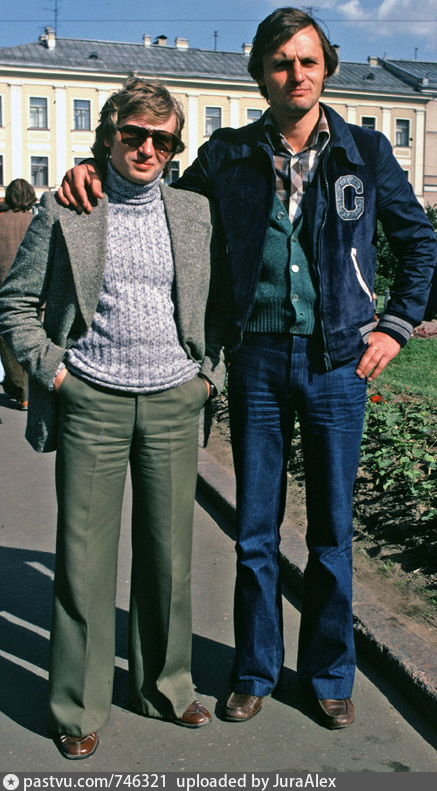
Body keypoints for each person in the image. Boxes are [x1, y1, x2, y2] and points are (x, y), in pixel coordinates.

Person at [56, 8, 437, 731]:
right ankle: (255, 670)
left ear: (326, 67)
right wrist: (91, 167)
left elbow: (419, 242)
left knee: (331, 533)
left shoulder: (364, 151)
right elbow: (156, 192)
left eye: (308, 61)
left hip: (337, 364)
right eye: (281, 62)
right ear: (260, 73)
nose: (296, 74)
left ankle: (328, 673)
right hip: (255, 359)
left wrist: (395, 326)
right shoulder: (229, 154)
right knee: (256, 530)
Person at [0, 78, 225, 759]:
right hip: (91, 400)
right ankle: (78, 705)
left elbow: (216, 305)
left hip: (172, 399)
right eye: (135, 134)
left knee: (169, 556)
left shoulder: (193, 211)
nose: (148, 149)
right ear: (110, 136)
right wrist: (56, 372)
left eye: (163, 140)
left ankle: (165, 686)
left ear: (175, 148)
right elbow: (14, 305)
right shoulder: (67, 207)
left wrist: (205, 375)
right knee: (83, 563)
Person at [0, 178, 36, 410]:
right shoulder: (37, 221)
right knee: (32, 340)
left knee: (7, 341)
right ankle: (30, 390)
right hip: (34, 292)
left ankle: (20, 390)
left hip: (4, 290)